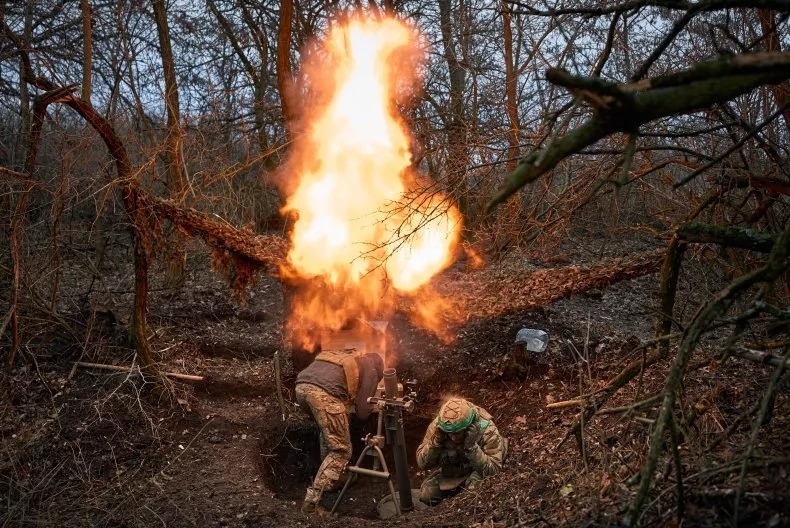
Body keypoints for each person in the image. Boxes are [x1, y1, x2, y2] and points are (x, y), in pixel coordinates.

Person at [295, 350, 384, 516]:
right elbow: (362, 412)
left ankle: (333, 479)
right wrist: (374, 405)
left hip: (301, 388)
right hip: (325, 396)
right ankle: (311, 505)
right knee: (341, 450)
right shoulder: (372, 368)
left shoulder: (346, 357)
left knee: (329, 433)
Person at [416, 397, 507, 505]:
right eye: (449, 433)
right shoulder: (438, 427)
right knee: (427, 495)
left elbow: (494, 470)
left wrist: (472, 447)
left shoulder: (487, 429)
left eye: (458, 432)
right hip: (453, 471)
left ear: (469, 426)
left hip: (477, 470)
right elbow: (422, 463)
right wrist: (436, 443)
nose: (453, 438)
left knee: (472, 495)